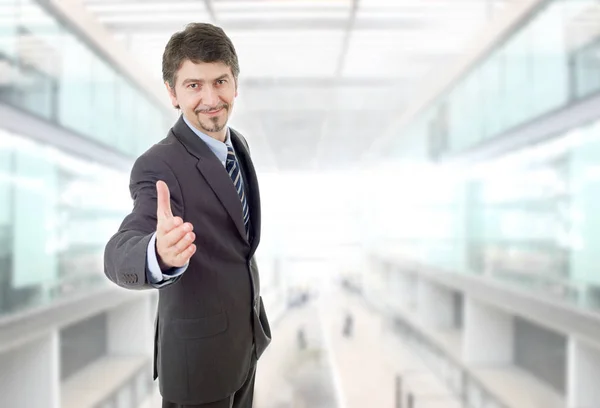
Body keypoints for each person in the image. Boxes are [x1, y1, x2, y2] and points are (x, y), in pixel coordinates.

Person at [103, 22, 271, 408]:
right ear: (172, 94)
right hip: (199, 367)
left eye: (220, 81)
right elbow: (119, 251)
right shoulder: (159, 165)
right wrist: (157, 253)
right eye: (194, 85)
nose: (211, 98)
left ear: (235, 84)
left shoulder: (237, 144)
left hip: (245, 347)